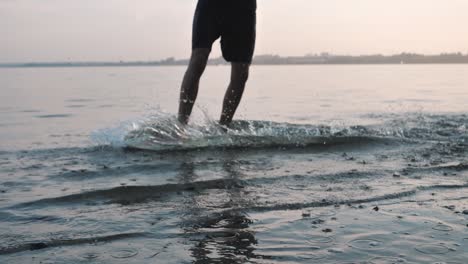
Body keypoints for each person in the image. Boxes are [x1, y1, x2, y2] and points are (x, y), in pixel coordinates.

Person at [178, 0, 257, 126]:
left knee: (241, 72)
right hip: (211, 5)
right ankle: (181, 125)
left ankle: (224, 127)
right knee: (198, 58)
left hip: (243, 7)